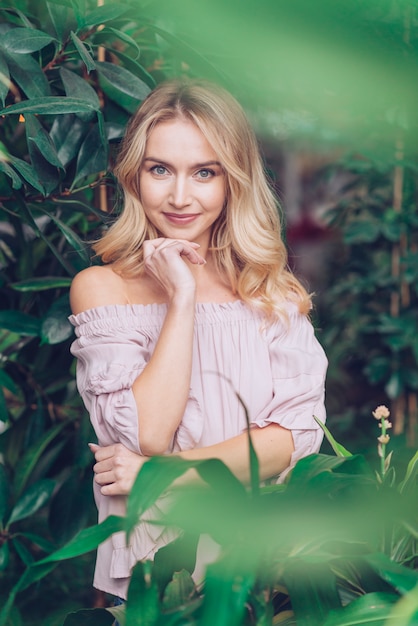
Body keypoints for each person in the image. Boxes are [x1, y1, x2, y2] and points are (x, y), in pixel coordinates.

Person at [68, 78, 328, 602]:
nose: (180, 197)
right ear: (134, 177)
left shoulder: (270, 293)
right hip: (156, 570)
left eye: (204, 172)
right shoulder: (102, 288)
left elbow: (294, 438)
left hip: (257, 561)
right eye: (160, 169)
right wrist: (181, 297)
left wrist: (156, 476)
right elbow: (146, 435)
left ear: (233, 181)